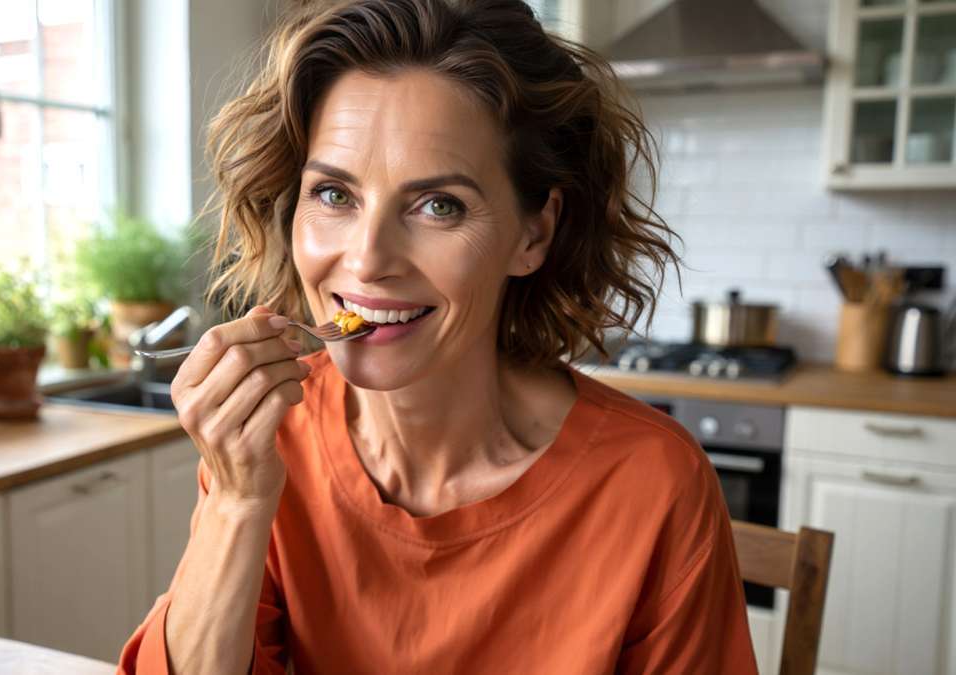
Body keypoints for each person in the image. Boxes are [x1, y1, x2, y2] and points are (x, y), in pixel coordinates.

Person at [118, 0, 758, 672]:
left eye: (437, 205)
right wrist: (239, 502)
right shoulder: (272, 442)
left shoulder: (653, 484)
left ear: (533, 233)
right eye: (335, 194)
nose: (367, 260)